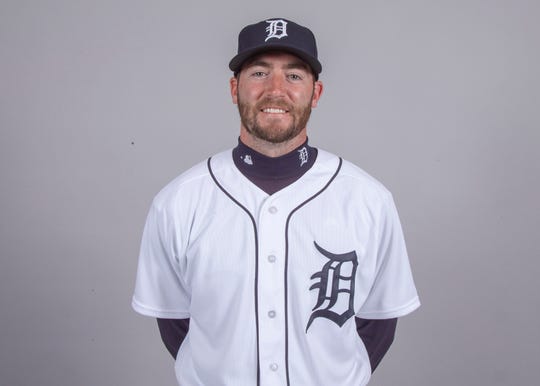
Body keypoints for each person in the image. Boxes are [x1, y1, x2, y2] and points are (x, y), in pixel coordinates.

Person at [132, 17, 420, 386]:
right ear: (234, 89)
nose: (276, 90)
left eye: (295, 76)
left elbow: (379, 322)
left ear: (316, 93)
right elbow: (175, 322)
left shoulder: (368, 199)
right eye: (259, 73)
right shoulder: (178, 202)